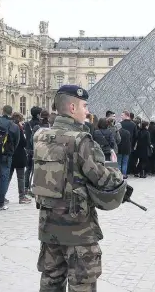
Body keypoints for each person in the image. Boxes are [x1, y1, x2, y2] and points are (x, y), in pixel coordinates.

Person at [33, 85, 127, 291]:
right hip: (78, 226)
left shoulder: (40, 136)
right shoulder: (81, 140)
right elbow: (101, 178)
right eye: (85, 106)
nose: (87, 111)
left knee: (51, 280)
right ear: (73, 107)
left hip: (48, 223)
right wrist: (119, 177)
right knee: (82, 283)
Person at [0, 105, 19, 211]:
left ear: (2, 111)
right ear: (11, 113)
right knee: (4, 178)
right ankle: (0, 203)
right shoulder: (14, 126)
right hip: (7, 154)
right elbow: (16, 142)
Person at [9, 112, 31, 204]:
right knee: (20, 177)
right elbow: (23, 142)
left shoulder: (10, 126)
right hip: (19, 155)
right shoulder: (18, 127)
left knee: (7, 177)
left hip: (10, 154)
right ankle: (22, 197)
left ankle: (1, 196)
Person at [23, 106, 42, 196]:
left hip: (29, 149)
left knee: (28, 169)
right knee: (38, 170)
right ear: (38, 114)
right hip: (38, 149)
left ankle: (26, 187)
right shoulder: (40, 124)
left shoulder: (27, 124)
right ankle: (36, 187)